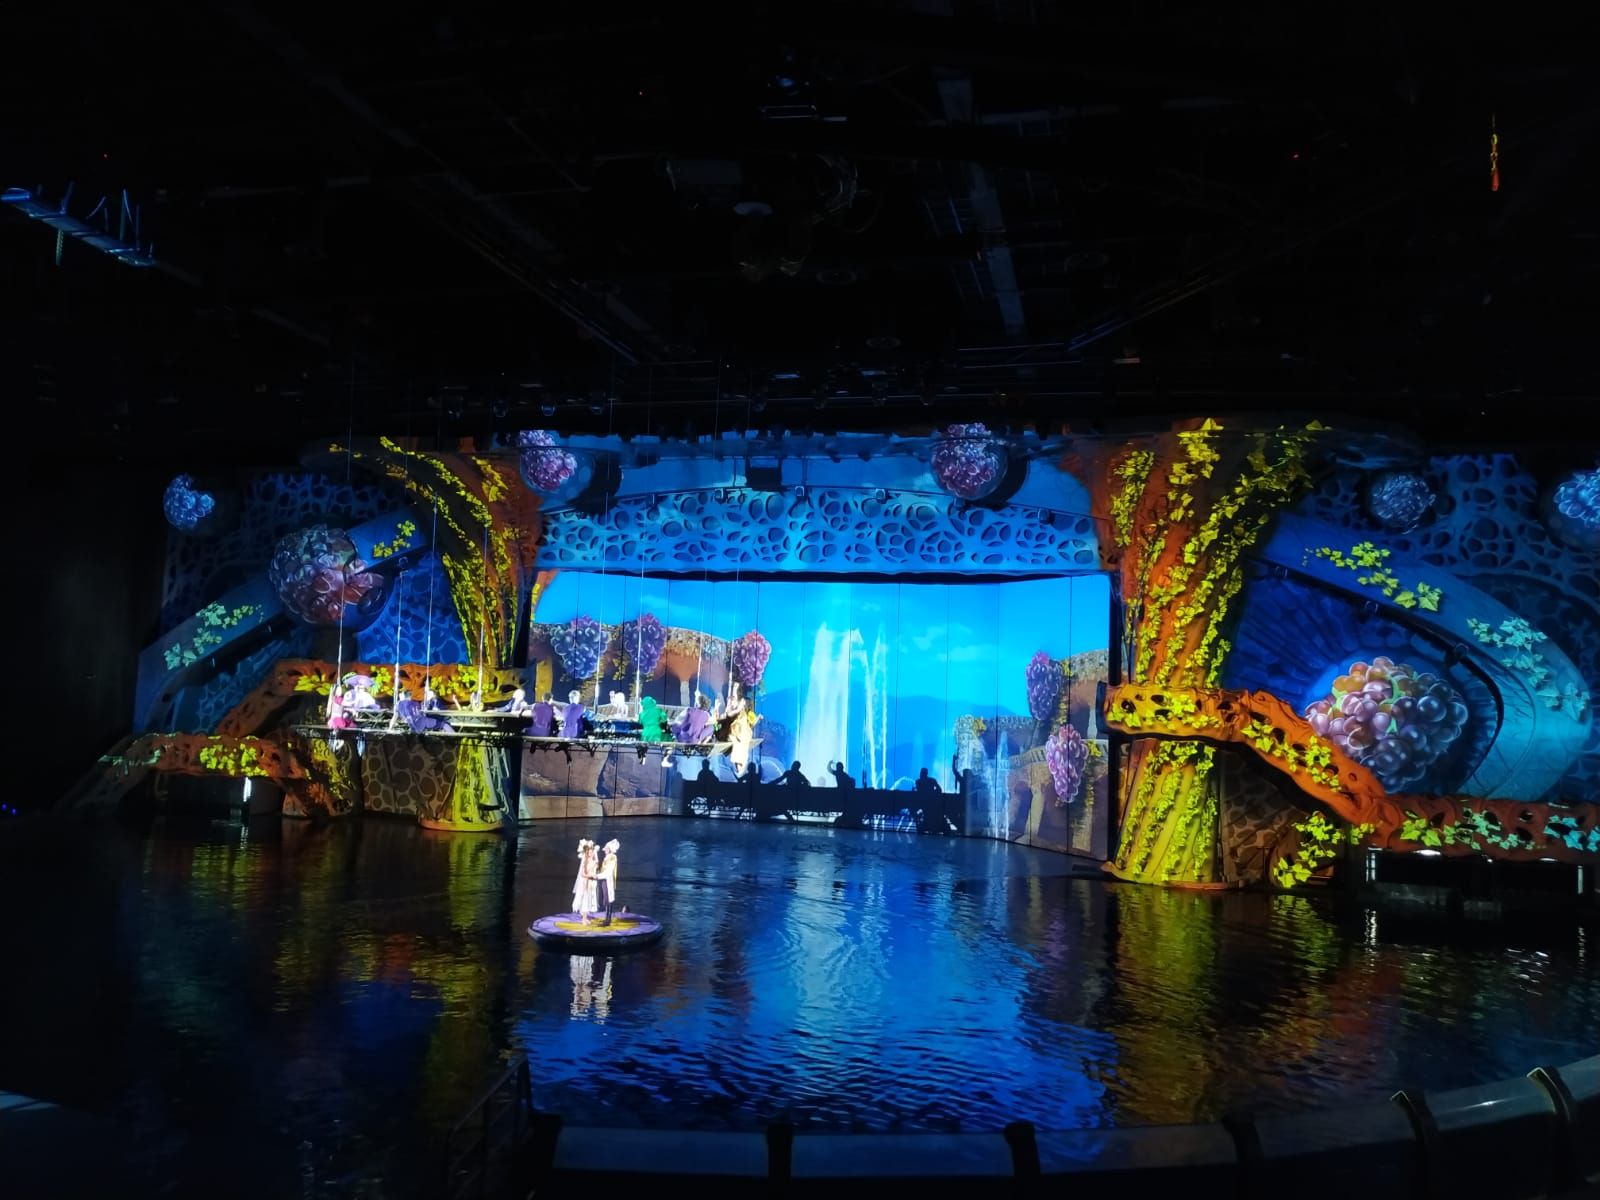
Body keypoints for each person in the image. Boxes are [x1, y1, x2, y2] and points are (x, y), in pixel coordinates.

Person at [594, 839, 620, 926]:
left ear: (610, 849)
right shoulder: (607, 857)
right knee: (606, 899)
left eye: (606, 848)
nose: (604, 850)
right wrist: (597, 872)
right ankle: (607, 918)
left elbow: (608, 872)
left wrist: (597, 876)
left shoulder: (612, 857)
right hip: (604, 880)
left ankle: (608, 920)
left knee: (609, 899)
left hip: (608, 880)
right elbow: (603, 870)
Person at [572, 839, 599, 923]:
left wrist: (594, 875)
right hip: (586, 882)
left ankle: (585, 917)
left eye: (592, 852)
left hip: (591, 883)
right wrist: (591, 876)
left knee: (589, 899)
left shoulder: (594, 862)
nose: (591, 853)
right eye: (589, 852)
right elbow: (583, 874)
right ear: (587, 853)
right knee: (585, 899)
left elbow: (596, 868)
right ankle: (583, 919)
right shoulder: (585, 861)